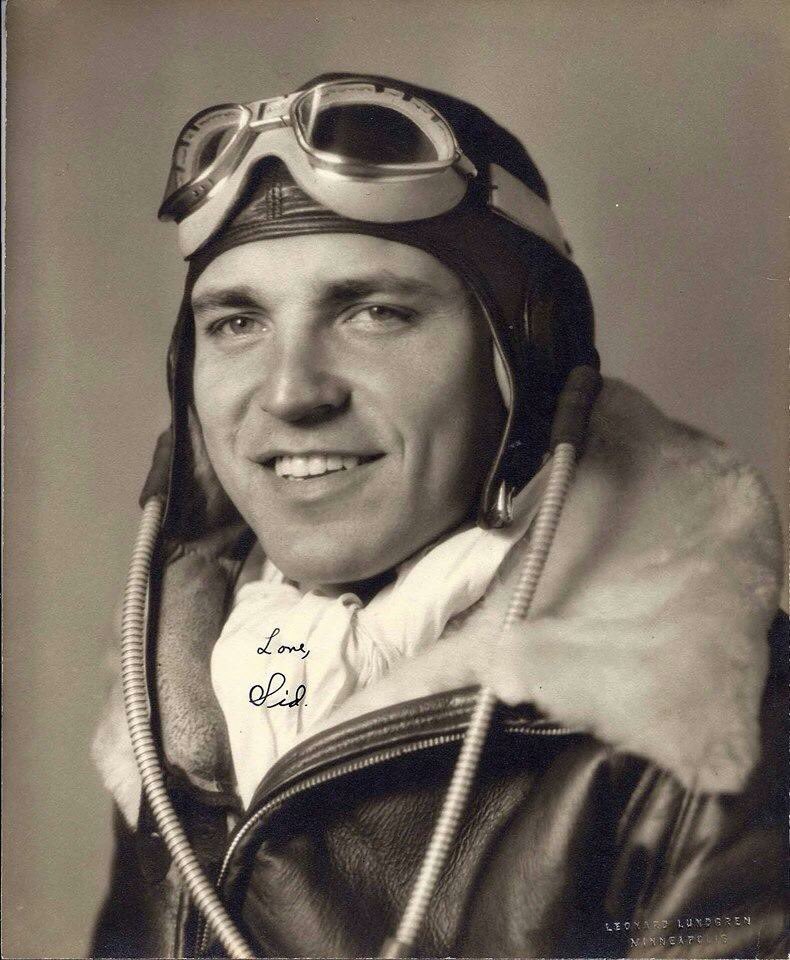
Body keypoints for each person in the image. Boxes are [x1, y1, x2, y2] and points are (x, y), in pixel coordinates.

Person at [91, 74, 787, 959]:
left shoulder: (722, 738)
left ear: (528, 364)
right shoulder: (176, 705)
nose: (292, 392)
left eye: (375, 312)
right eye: (236, 322)